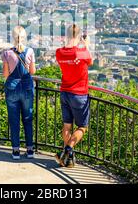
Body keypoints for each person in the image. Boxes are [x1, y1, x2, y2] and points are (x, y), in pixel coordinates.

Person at [55, 24, 93, 168]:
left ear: (66, 35)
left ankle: (67, 158)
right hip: (79, 94)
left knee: (67, 126)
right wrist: (86, 45)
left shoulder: (59, 52)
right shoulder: (82, 52)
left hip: (64, 92)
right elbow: (90, 61)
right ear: (78, 36)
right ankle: (69, 149)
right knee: (82, 126)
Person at [1, 26, 36, 160]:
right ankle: (30, 149)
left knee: (14, 120)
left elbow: (5, 74)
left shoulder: (6, 53)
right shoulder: (30, 51)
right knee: (28, 119)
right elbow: (32, 72)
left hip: (12, 88)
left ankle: (16, 150)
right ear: (24, 37)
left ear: (13, 37)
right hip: (27, 88)